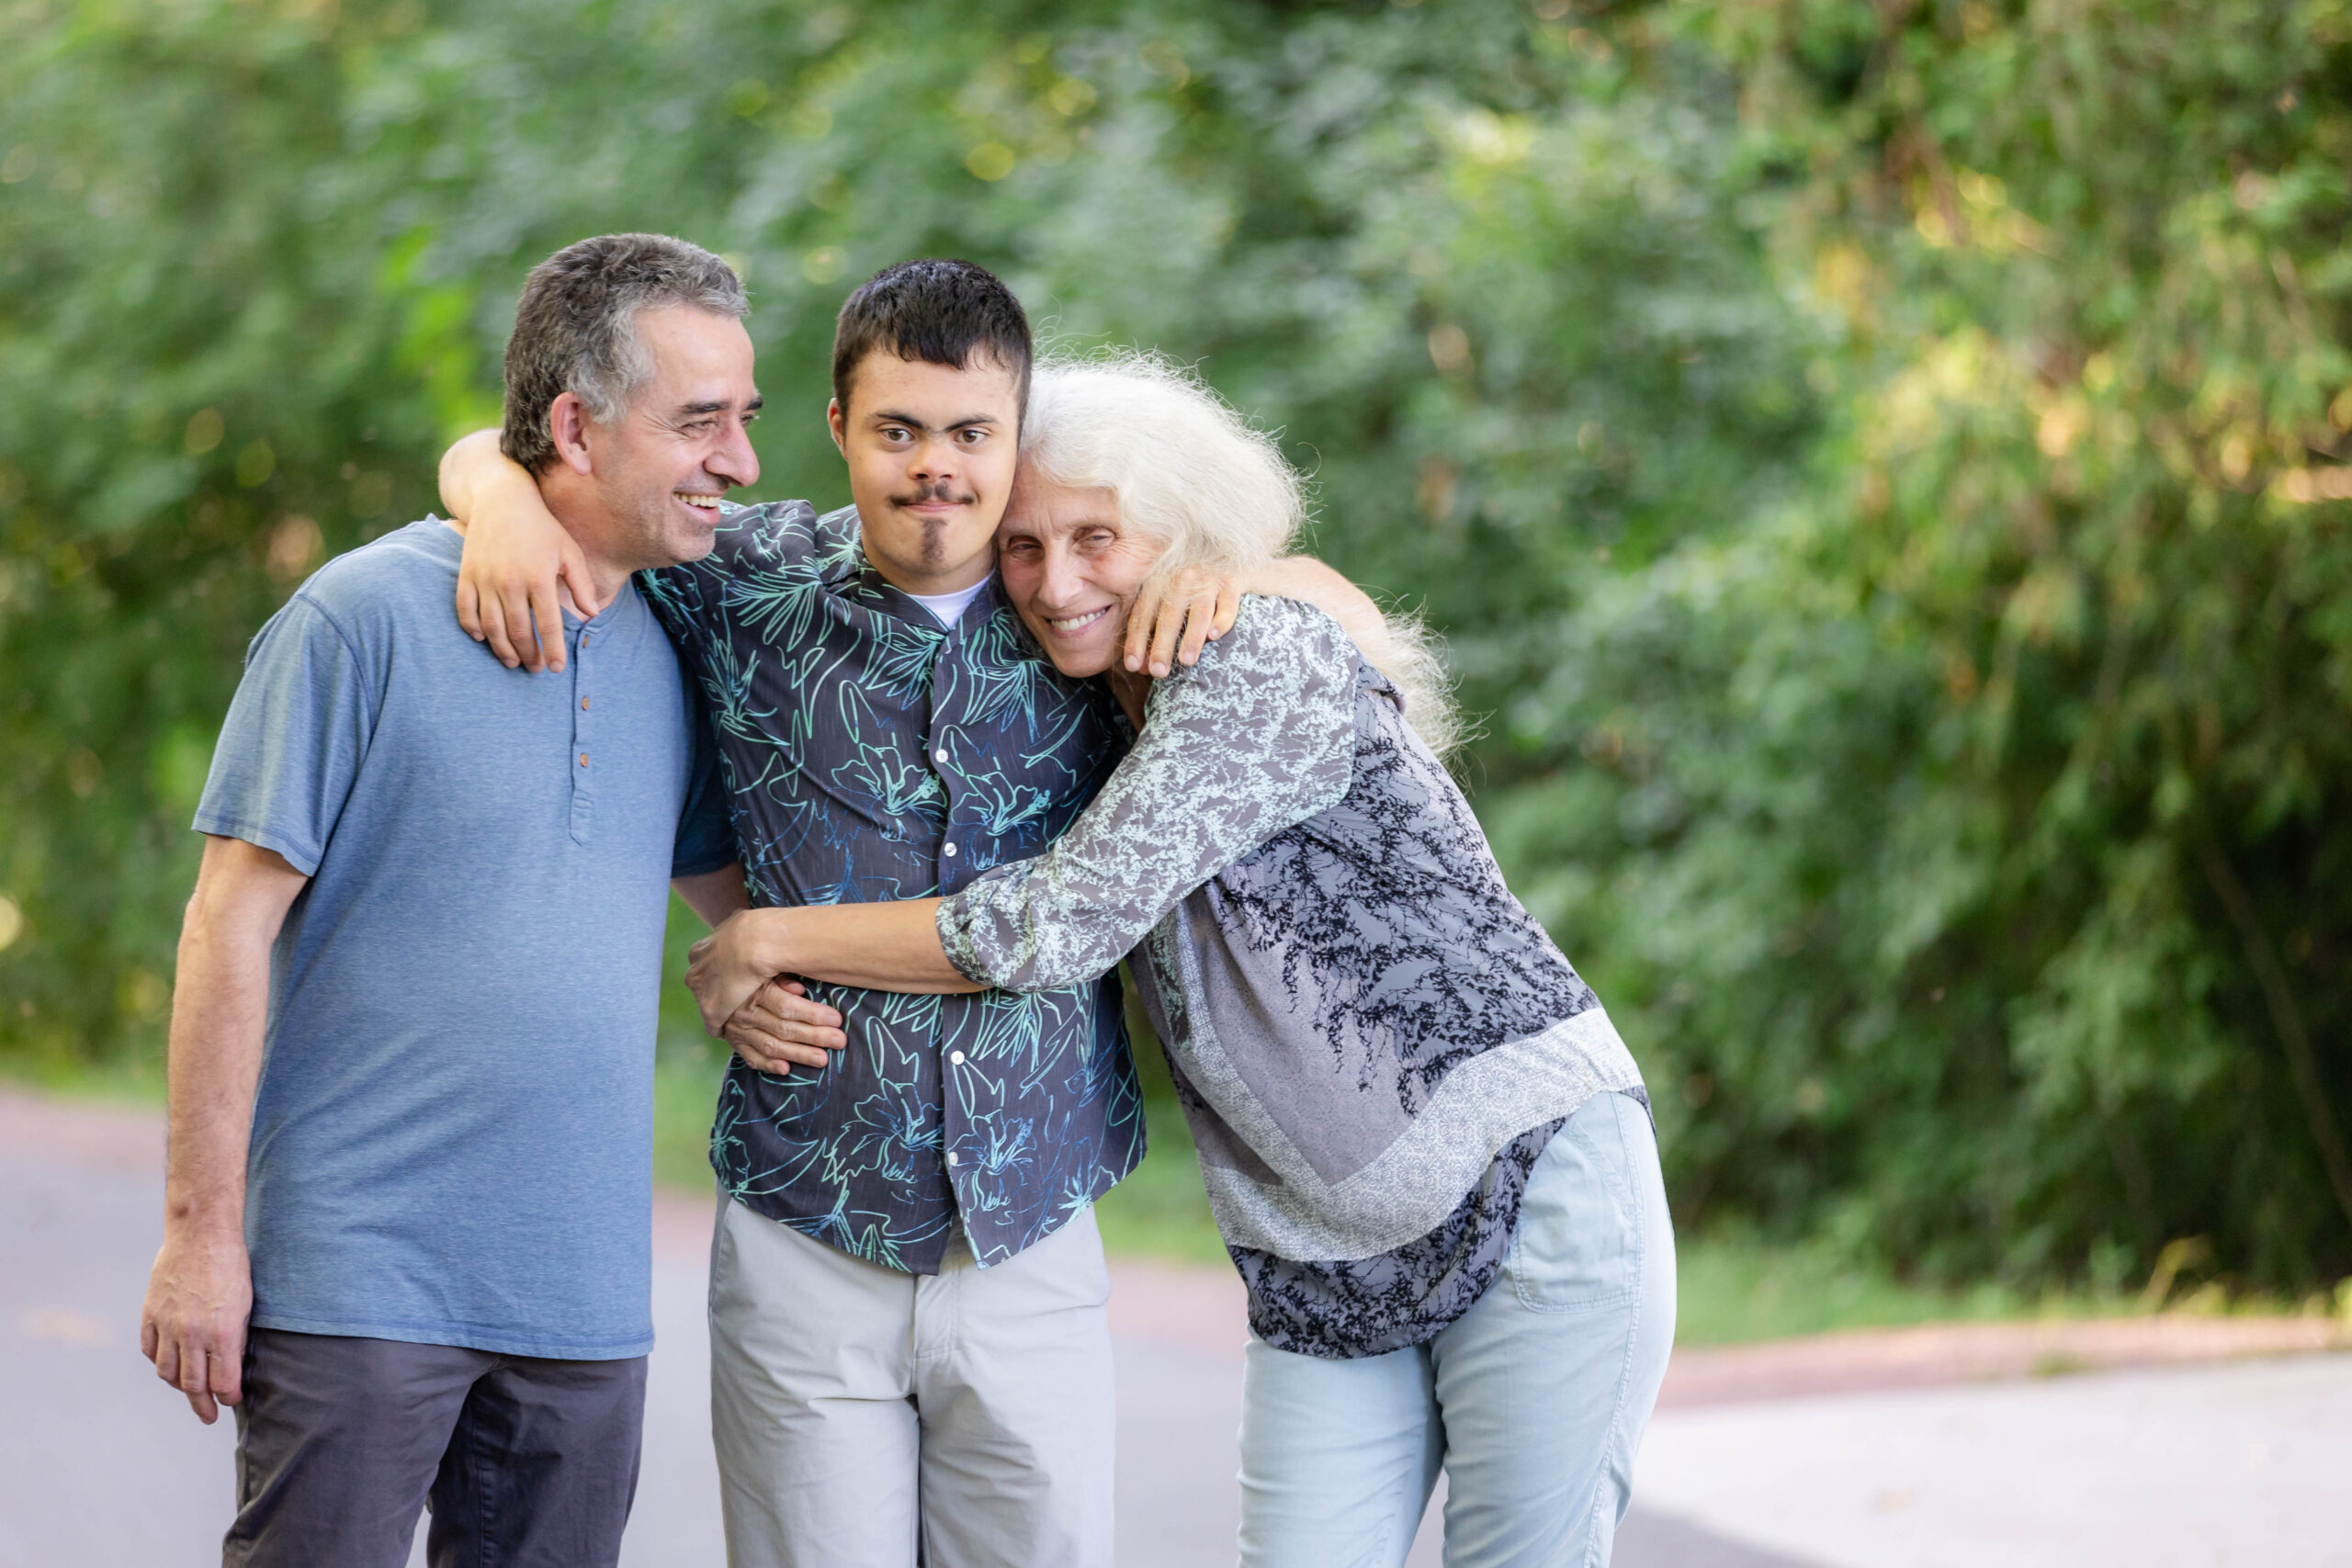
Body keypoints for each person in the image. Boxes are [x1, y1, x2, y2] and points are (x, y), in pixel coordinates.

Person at [436, 258, 1369, 1568]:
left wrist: (1251, 582)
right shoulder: (743, 581)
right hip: (802, 1226)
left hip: (1033, 1231)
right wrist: (494, 498)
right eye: (899, 430)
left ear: (1017, 432)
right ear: (838, 428)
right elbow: (531, 458)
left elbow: (1341, 613)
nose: (937, 466)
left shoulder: (1085, 609)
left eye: (972, 433)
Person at [692, 354, 1679, 1568]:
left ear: (1185, 539)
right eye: (1026, 546)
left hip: (1529, 1182)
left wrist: (766, 937)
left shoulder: (1255, 655)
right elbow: (680, 536)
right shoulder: (1095, 696)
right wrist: (500, 476)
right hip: (1317, 1253)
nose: (1058, 583)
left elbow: (1055, 924)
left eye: (1098, 538)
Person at [137, 232, 782, 1567]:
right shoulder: (361, 618)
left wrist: (774, 964)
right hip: (358, 1281)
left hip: (584, 1308)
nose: (741, 461)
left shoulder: (679, 645)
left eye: (745, 419)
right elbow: (225, 925)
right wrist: (199, 1237)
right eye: (700, 422)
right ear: (576, 428)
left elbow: (740, 905)